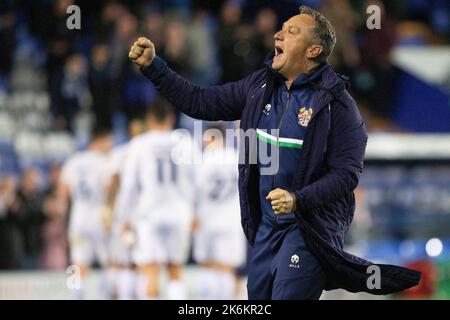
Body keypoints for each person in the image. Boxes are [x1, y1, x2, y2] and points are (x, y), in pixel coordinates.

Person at [129, 5, 420, 299]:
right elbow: (200, 102)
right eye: (281, 28)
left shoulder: (340, 107)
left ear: (313, 50)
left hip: (308, 230)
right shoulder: (259, 87)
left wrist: (297, 200)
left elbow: (346, 176)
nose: (278, 34)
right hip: (266, 230)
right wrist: (155, 67)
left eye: (292, 32)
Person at [115, 99, 197, 300]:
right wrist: (195, 213)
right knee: (175, 271)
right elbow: (197, 183)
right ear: (171, 118)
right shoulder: (186, 143)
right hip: (179, 213)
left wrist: (124, 217)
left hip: (149, 214)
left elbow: (129, 187)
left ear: (149, 119)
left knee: (150, 270)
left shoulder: (139, 144)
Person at [58, 127, 114, 299]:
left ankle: (75, 296)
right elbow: (110, 188)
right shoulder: (104, 162)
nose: (109, 147)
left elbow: (63, 194)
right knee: (110, 262)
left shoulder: (73, 161)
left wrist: (64, 223)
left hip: (78, 217)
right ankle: (105, 295)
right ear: (98, 142)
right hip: (99, 216)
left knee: (78, 264)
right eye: (108, 143)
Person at [193, 124, 247, 300]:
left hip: (206, 221)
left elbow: (195, 191)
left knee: (206, 265)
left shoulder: (203, 160)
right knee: (228, 267)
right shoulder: (236, 158)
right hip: (231, 221)